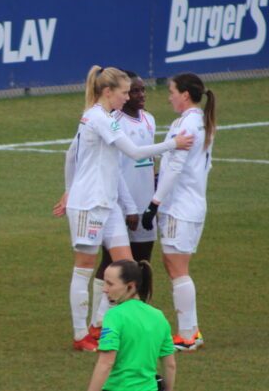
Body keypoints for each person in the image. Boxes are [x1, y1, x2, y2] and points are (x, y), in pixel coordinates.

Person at [54, 66, 193, 351]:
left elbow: (73, 154)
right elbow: (134, 152)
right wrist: (173, 144)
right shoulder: (97, 117)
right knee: (83, 269)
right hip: (89, 205)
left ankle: (101, 325)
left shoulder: (105, 117)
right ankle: (81, 336)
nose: (128, 97)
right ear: (108, 91)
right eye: (124, 92)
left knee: (126, 268)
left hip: (109, 204)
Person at [140, 72, 216, 351]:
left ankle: (187, 335)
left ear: (185, 94)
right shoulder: (201, 122)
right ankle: (192, 332)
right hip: (194, 205)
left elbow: (174, 167)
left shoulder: (185, 126)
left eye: (172, 91)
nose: (169, 96)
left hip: (179, 207)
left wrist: (154, 203)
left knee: (177, 269)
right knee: (177, 268)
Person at [89, 71, 158, 339]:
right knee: (111, 263)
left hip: (145, 201)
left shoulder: (149, 119)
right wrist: (128, 205)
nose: (138, 96)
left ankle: (137, 315)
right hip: (120, 204)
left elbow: (148, 162)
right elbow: (116, 167)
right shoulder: (112, 121)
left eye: (141, 91)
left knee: (143, 262)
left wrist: (153, 201)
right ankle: (101, 321)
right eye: (132, 91)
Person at [86, 260, 176, 391]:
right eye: (105, 282)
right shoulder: (159, 317)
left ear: (130, 286)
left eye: (110, 284)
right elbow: (170, 365)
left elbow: (106, 363)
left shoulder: (114, 316)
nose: (105, 289)